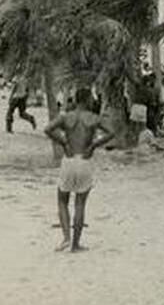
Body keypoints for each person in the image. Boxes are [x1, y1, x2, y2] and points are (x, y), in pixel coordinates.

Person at [44, 88, 114, 252]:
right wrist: (94, 145)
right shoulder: (93, 118)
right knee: (80, 203)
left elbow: (48, 129)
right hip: (84, 160)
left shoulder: (66, 117)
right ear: (88, 99)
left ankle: (66, 238)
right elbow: (111, 132)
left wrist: (64, 143)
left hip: (69, 160)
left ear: (75, 100)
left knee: (62, 199)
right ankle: (75, 244)